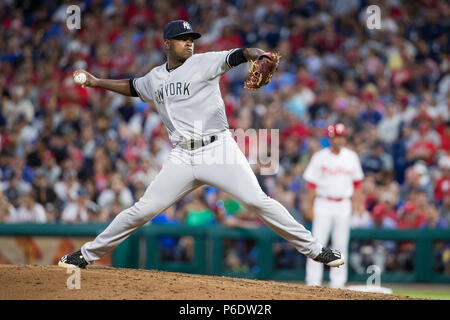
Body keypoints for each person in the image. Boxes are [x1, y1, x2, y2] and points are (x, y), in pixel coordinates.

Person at [59, 20, 343, 272]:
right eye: (184, 39)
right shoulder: (155, 77)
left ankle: (316, 250)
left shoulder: (203, 62)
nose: (189, 44)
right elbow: (133, 86)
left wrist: (256, 54)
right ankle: (85, 256)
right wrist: (96, 82)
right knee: (143, 210)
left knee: (258, 201)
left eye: (192, 39)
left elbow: (238, 54)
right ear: (167, 44)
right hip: (182, 155)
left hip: (217, 148)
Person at [303, 123, 364, 288]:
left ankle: (338, 283)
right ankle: (313, 281)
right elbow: (311, 185)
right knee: (317, 244)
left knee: (340, 245)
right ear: (330, 138)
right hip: (323, 203)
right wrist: (309, 207)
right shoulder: (319, 157)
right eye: (336, 136)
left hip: (343, 204)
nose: (339, 139)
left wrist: (359, 206)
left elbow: (358, 184)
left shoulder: (351, 156)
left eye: (342, 136)